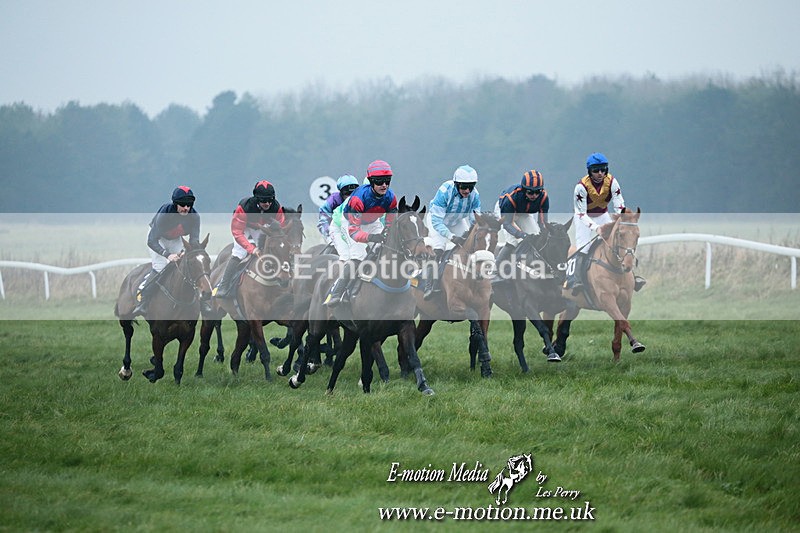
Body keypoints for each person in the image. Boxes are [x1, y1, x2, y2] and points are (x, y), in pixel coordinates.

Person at [567, 152, 646, 292]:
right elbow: (581, 213)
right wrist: (596, 228)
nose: (600, 173)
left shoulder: (612, 182)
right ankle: (575, 279)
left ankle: (632, 277)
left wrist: (622, 218)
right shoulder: (580, 187)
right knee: (583, 248)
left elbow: (619, 205)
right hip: (583, 218)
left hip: (603, 214)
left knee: (617, 241)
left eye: (603, 169)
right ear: (589, 171)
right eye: (596, 170)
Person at [324, 160, 398, 307]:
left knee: (384, 248)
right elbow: (354, 232)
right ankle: (336, 292)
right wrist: (371, 237)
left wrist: (386, 233)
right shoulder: (359, 199)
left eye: (387, 181)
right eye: (379, 181)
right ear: (371, 182)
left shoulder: (391, 197)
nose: (384, 185)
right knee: (357, 257)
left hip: (372, 222)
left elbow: (389, 223)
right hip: (347, 224)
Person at [133, 186, 202, 316]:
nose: (186, 208)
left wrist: (187, 253)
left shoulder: (195, 217)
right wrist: (167, 255)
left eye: (189, 205)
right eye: (182, 205)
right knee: (160, 266)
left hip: (176, 239)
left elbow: (194, 241)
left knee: (184, 266)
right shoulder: (165, 213)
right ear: (175, 204)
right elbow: (151, 241)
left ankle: (200, 301)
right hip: (157, 238)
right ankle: (143, 300)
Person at [214, 179, 286, 299]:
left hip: (263, 228)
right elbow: (237, 232)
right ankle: (224, 285)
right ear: (257, 199)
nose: (267, 204)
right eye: (263, 201)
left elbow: (280, 229)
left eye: (270, 200)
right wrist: (252, 249)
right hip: (244, 228)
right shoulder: (244, 207)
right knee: (240, 253)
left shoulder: (277, 207)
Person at [422, 165, 481, 299]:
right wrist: (451, 237)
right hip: (438, 220)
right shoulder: (445, 191)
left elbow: (474, 220)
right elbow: (437, 221)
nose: (467, 191)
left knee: (469, 245)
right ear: (456, 184)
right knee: (439, 248)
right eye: (463, 187)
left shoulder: (475, 195)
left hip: (457, 221)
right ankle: (429, 285)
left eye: (470, 187)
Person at [494, 169, 550, 272]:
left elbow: (542, 222)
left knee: (536, 237)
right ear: (524, 190)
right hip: (505, 212)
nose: (534, 195)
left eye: (537, 192)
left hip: (523, 212)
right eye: (530, 192)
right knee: (514, 241)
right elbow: (507, 223)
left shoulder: (544, 198)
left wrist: (546, 234)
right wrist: (522, 234)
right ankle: (496, 270)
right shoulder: (511, 198)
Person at [317, 174, 359, 245]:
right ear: (341, 193)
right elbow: (323, 220)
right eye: (347, 194)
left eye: (352, 194)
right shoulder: (333, 200)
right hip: (333, 232)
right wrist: (328, 236)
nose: (350, 198)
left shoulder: (360, 199)